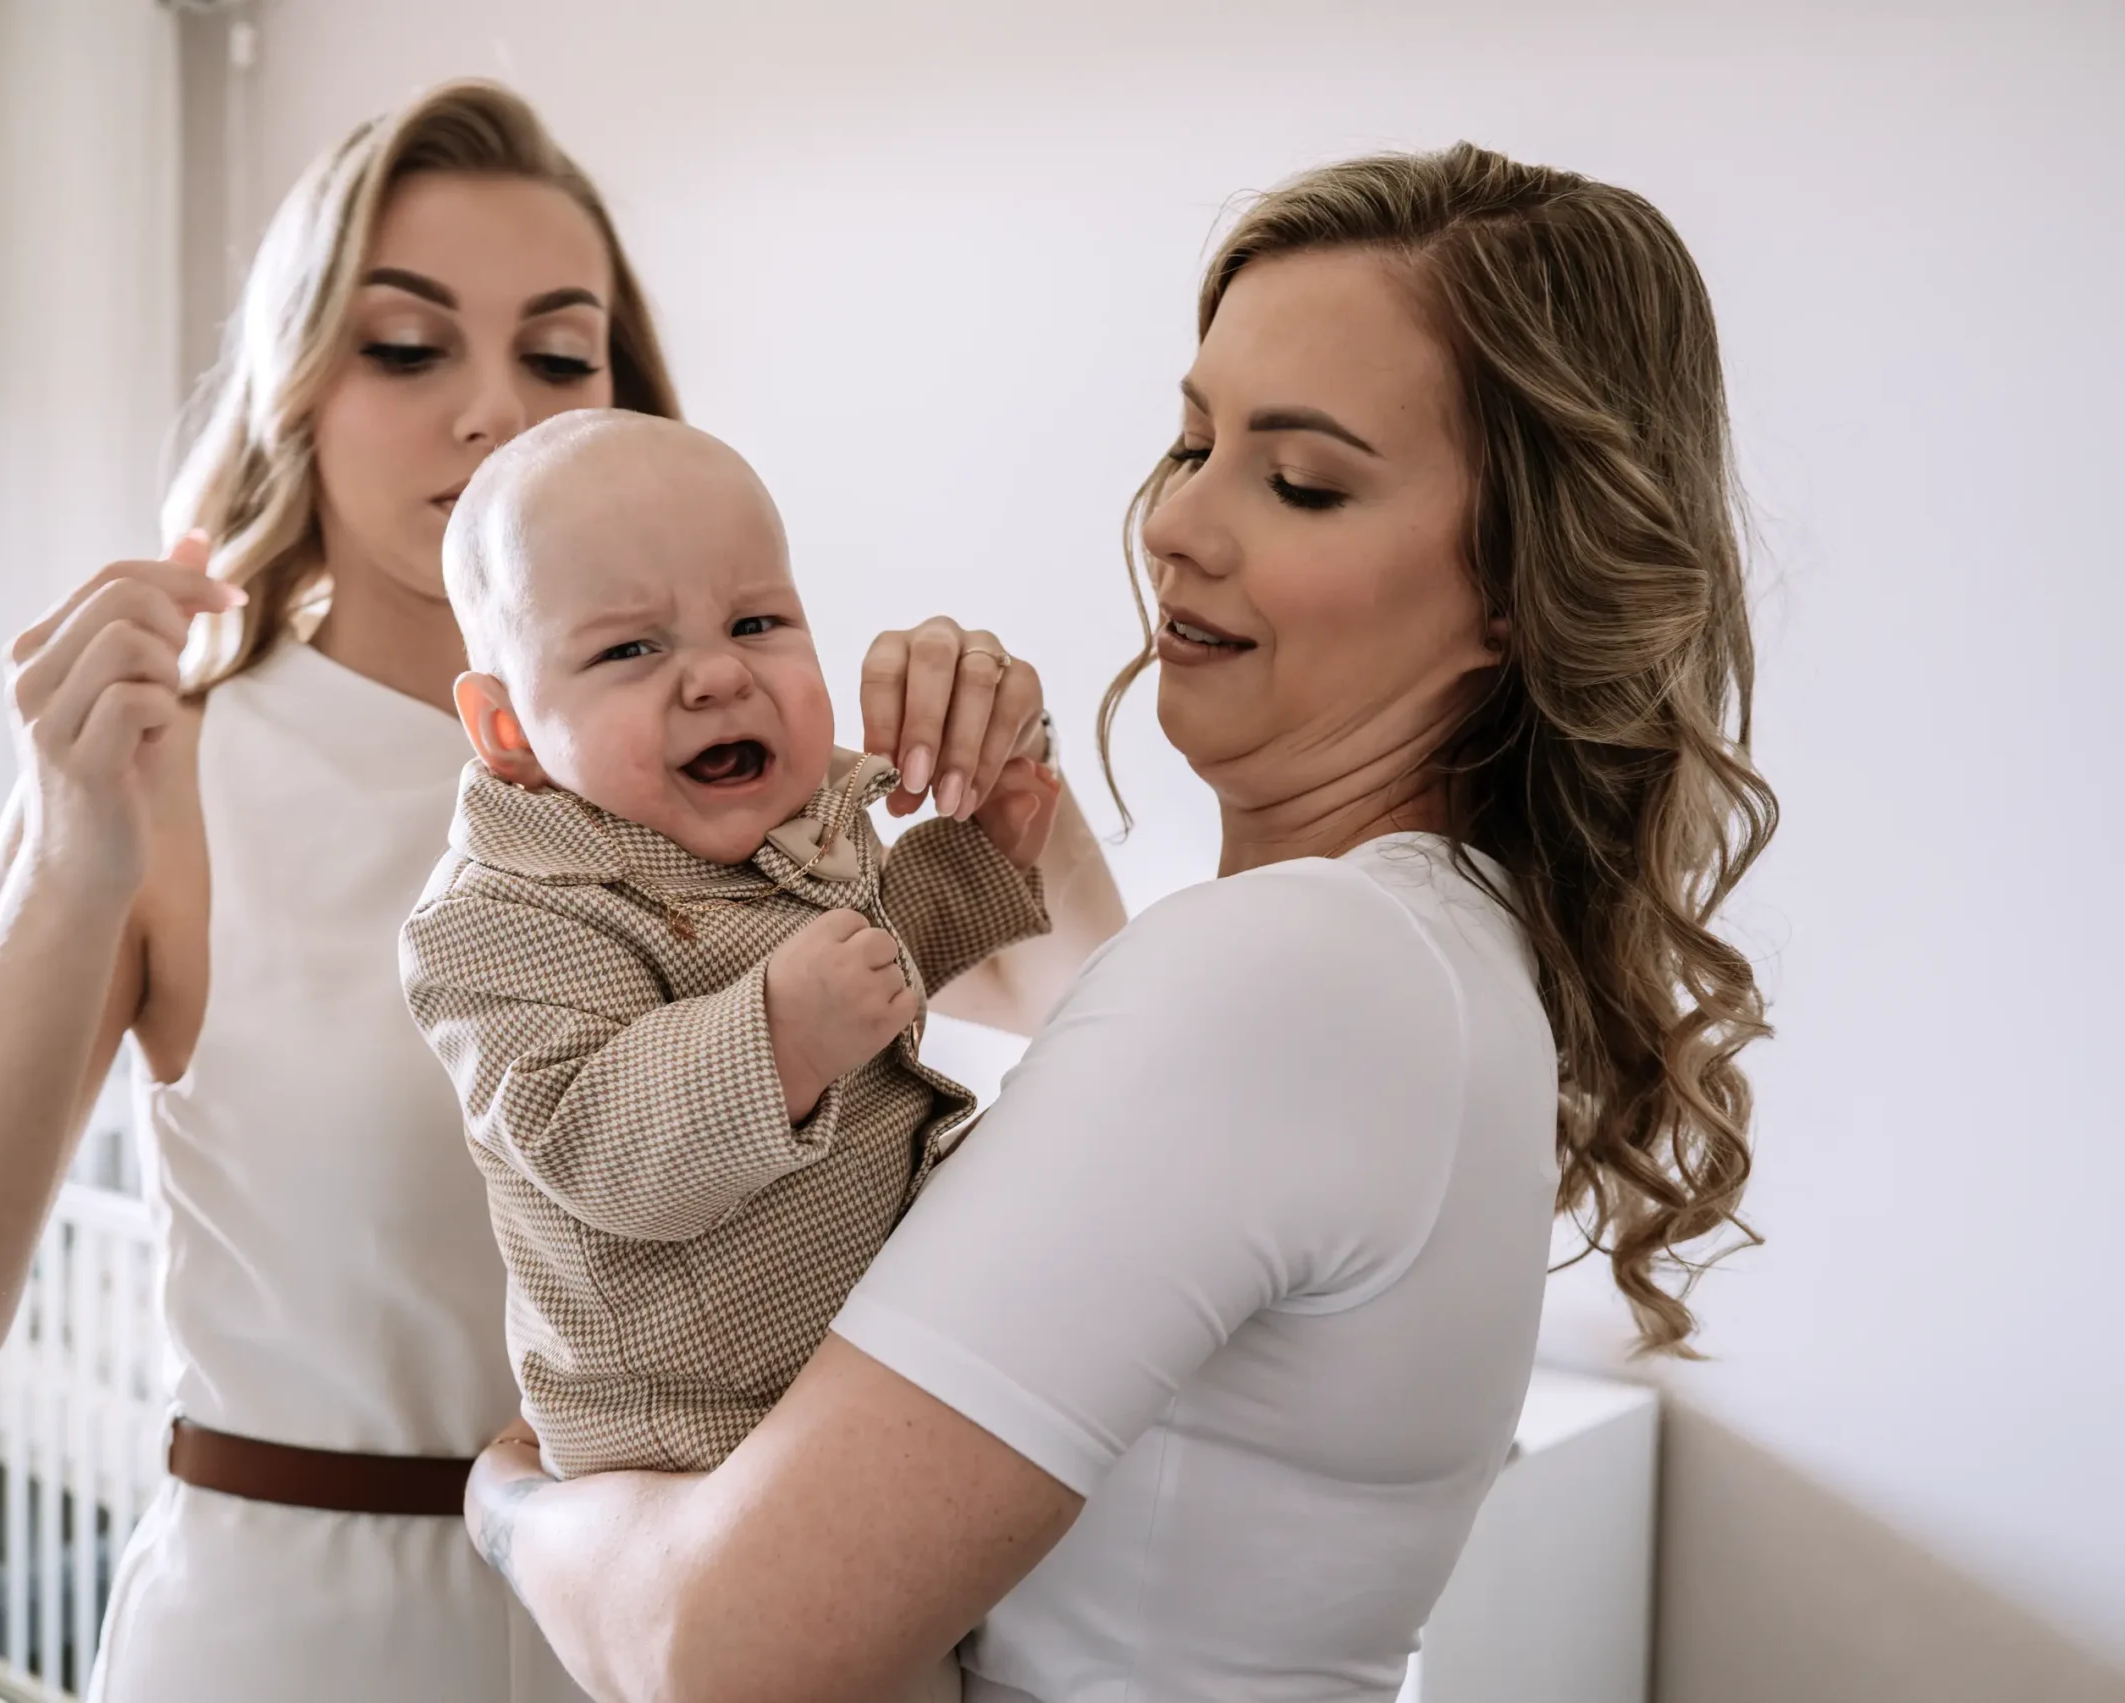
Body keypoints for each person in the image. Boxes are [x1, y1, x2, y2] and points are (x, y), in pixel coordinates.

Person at [0, 82, 1125, 1702]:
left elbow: (1115, 1037)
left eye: (559, 356)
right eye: (406, 347)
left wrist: (1013, 783)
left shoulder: (754, 770)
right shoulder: (162, 777)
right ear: (296, 385)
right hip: (298, 1644)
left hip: (681, 1625)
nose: (493, 407)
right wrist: (73, 859)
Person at [464, 142, 1779, 1703]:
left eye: (1300, 481)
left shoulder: (1297, 972)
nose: (1177, 523)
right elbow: (1116, 1069)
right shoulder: (1426, 950)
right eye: (1192, 441)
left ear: (1516, 582)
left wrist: (510, 1496)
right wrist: (997, 812)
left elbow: (715, 1650)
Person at [404, 411, 1056, 1486]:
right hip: (682, 1433)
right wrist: (778, 1035)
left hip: (854, 1358)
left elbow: (875, 959)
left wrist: (981, 850)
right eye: (629, 648)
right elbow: (587, 1142)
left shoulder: (791, 820)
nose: (715, 676)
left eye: (756, 623)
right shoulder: (498, 916)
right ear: (508, 728)